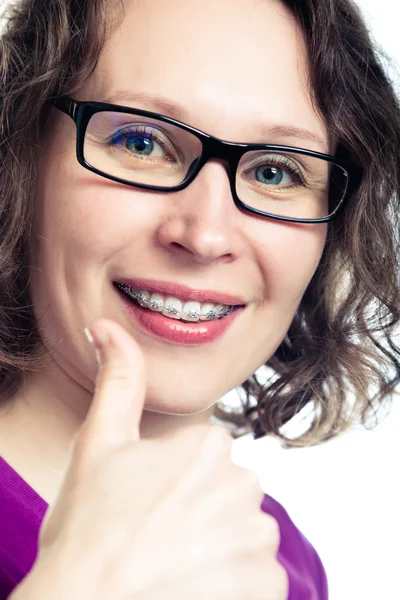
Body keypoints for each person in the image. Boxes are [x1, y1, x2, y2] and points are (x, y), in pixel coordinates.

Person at [0, 0, 399, 598]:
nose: (206, 235)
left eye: (275, 172)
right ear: (21, 158)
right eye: (141, 141)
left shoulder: (278, 560)